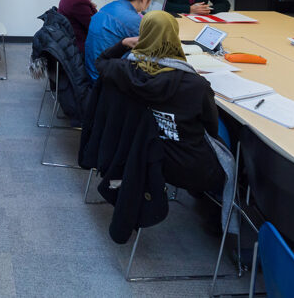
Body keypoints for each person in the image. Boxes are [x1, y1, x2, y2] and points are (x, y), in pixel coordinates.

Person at [95, 10, 225, 193]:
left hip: (136, 156)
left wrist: (123, 44)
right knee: (226, 133)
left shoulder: (119, 71)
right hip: (186, 165)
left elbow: (101, 61)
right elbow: (211, 129)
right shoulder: (197, 85)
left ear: (142, 34)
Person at [84, 0, 154, 81]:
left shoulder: (110, 6)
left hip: (93, 72)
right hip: (105, 81)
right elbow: (155, 51)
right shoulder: (132, 19)